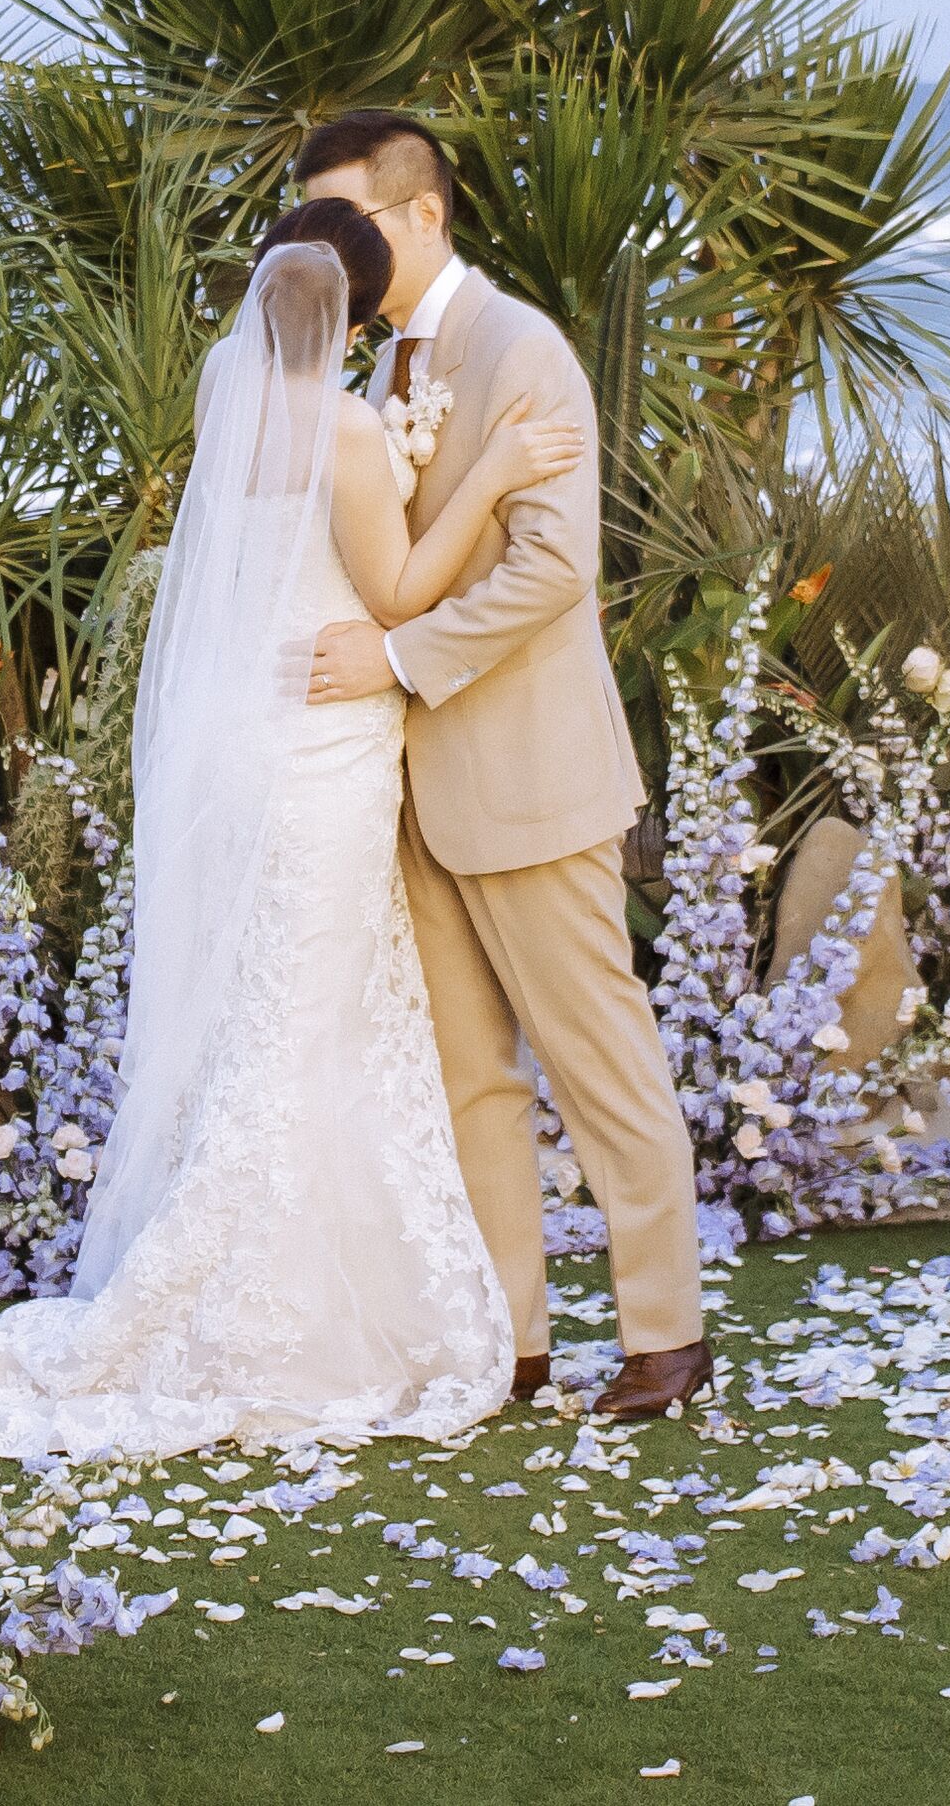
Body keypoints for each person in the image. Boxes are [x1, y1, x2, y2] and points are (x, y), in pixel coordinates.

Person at [0, 197, 589, 1458]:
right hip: (326, 744)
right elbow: (395, 592)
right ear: (354, 312)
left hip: (248, 734)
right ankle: (281, 1305)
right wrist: (489, 472)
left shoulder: (233, 395)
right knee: (312, 1013)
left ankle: (270, 1273)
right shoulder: (344, 427)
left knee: (273, 1012)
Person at [293, 110, 712, 1422]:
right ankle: (510, 1342)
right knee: (470, 1080)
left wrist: (397, 657)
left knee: (601, 1061)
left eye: (351, 220)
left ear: (422, 214)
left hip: (530, 775)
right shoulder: (375, 370)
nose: (333, 250)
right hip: (411, 789)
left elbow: (552, 568)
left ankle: (667, 1335)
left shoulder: (522, 350)